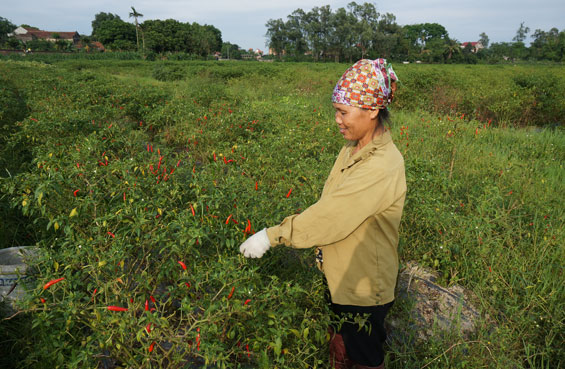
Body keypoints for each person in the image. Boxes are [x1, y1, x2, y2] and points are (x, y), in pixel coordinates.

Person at [239, 59, 405, 369]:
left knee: (364, 358)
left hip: (363, 290)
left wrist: (272, 236)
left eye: (344, 112)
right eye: (336, 111)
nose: (337, 120)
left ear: (371, 110)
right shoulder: (354, 148)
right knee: (340, 349)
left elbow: (331, 215)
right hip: (342, 277)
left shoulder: (381, 165)